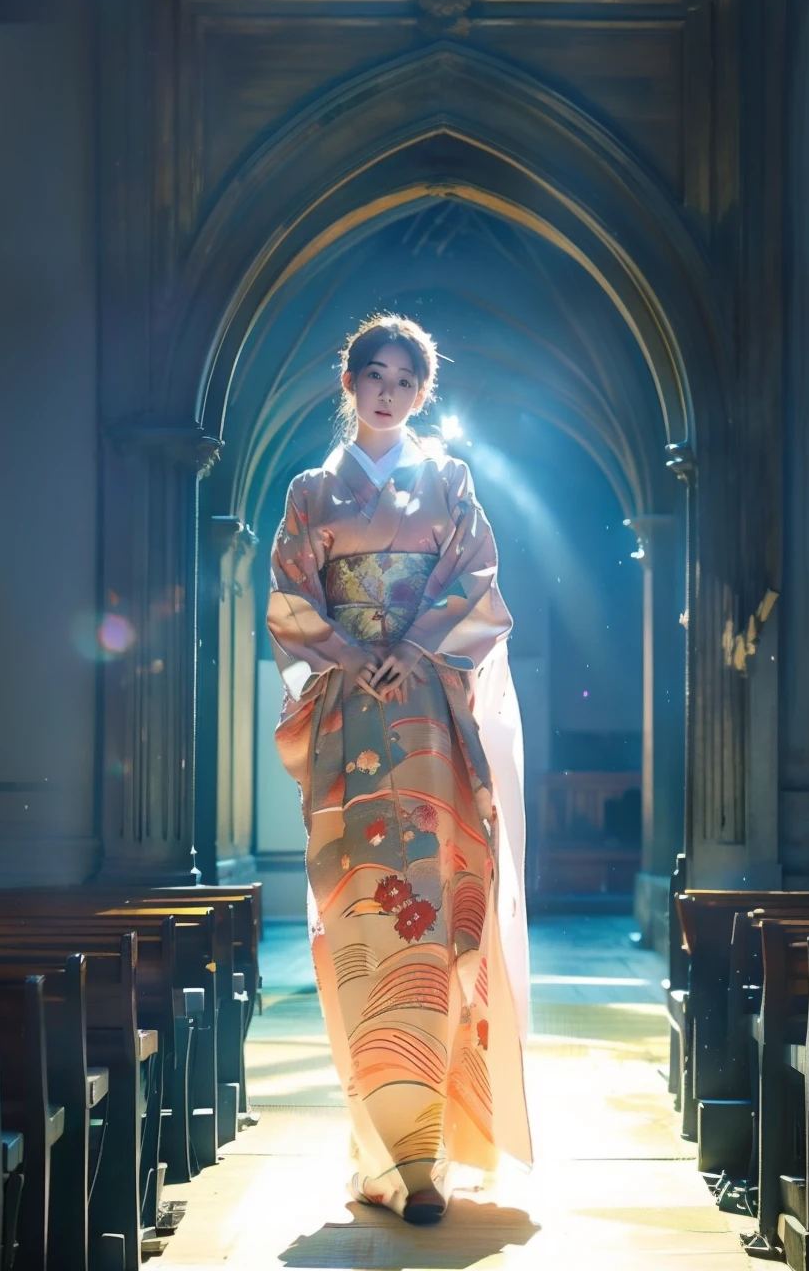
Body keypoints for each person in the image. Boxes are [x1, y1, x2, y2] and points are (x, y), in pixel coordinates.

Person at [267, 312, 533, 1226]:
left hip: (424, 723)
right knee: (358, 927)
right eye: (374, 374)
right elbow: (289, 598)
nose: (388, 391)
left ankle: (426, 1160)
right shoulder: (310, 491)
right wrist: (346, 650)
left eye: (406, 379)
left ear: (424, 393)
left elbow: (477, 585)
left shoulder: (449, 482)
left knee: (433, 914)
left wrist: (410, 647)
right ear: (350, 384)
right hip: (349, 717)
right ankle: (381, 1154)